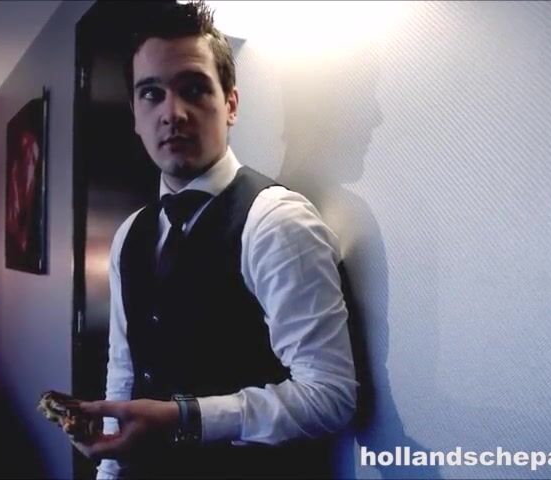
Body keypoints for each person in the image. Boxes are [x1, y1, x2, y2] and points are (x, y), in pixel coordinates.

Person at [68, 2, 357, 478]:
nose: (172, 113)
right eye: (151, 94)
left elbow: (329, 395)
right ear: (135, 115)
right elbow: (123, 371)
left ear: (231, 104)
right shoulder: (129, 234)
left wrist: (187, 418)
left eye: (194, 89)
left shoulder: (275, 221)